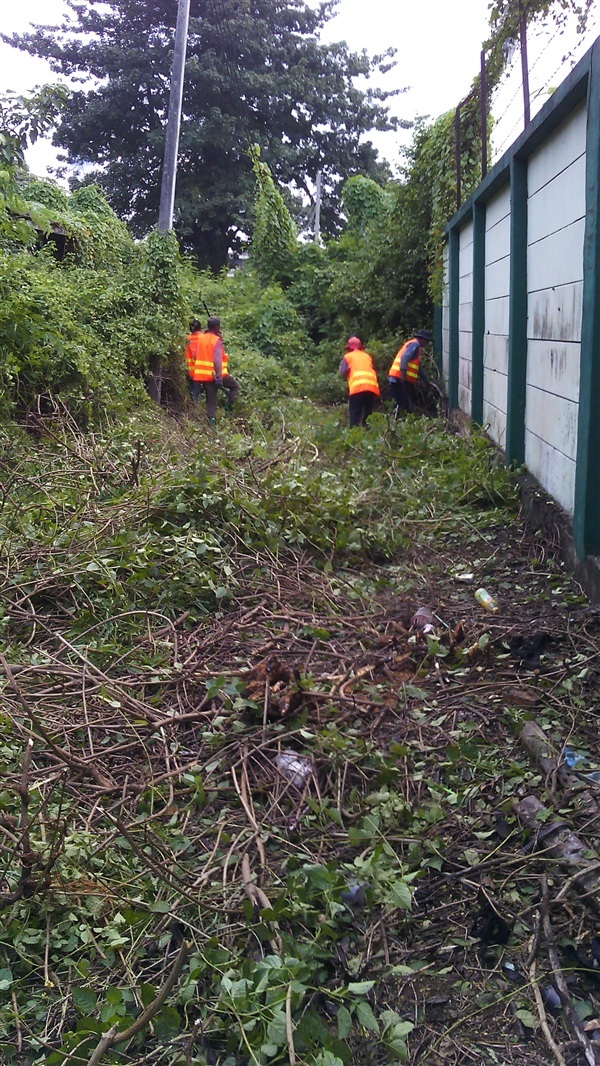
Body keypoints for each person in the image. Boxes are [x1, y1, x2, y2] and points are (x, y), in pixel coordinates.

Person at [185, 316, 239, 423]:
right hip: (217, 374)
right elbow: (217, 360)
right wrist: (219, 378)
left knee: (211, 402)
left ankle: (212, 425)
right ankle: (227, 409)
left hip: (204, 376)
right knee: (235, 387)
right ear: (216, 327)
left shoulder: (201, 338)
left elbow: (195, 355)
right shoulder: (216, 340)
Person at [388, 328, 433, 414]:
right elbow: (405, 357)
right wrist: (403, 374)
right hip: (400, 377)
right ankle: (398, 419)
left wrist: (426, 381)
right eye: (427, 341)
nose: (427, 343)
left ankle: (396, 419)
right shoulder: (415, 345)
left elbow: (418, 367)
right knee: (403, 403)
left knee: (400, 402)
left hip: (398, 377)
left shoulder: (414, 346)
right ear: (422, 339)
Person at [339, 336, 380, 427]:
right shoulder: (367, 356)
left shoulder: (348, 357)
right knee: (368, 411)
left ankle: (354, 433)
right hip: (371, 386)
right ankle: (367, 430)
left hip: (357, 387)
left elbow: (342, 372)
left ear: (349, 348)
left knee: (355, 411)